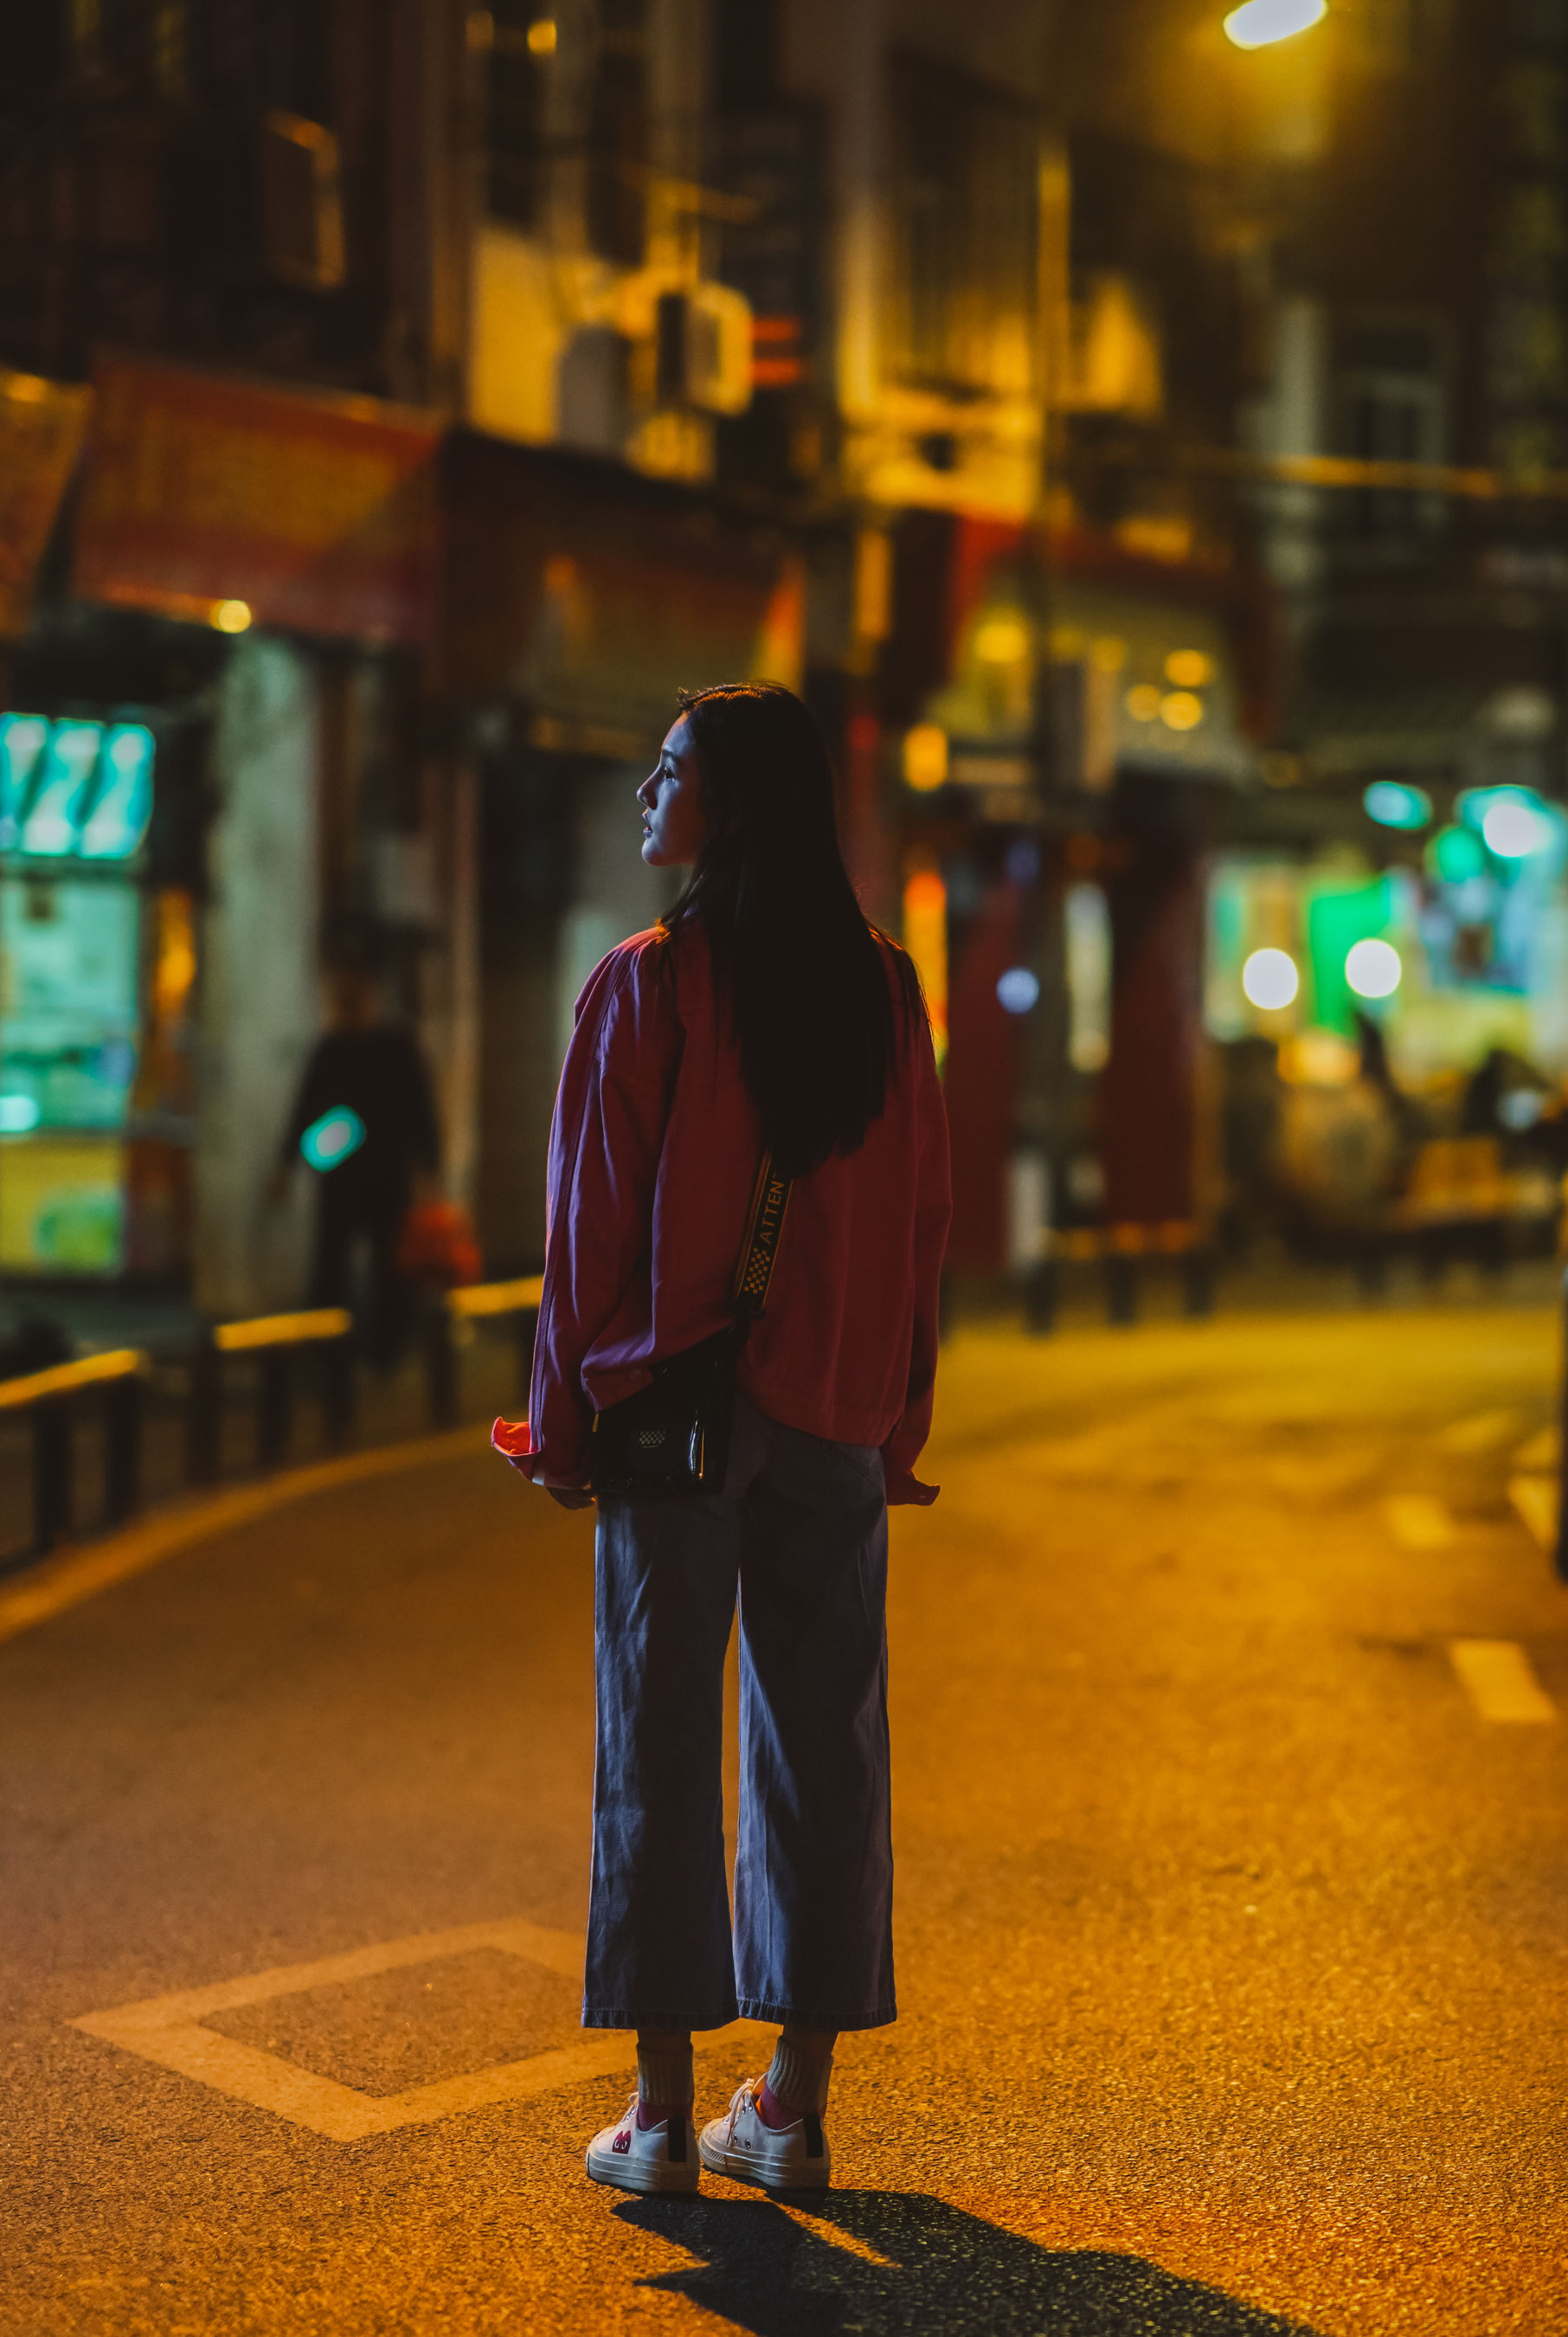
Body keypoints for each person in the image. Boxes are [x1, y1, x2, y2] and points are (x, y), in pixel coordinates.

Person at [501, 681, 950, 2199]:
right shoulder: (885, 991)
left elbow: (590, 1239)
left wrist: (562, 1420)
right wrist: (894, 1417)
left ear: (735, 805)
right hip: (832, 1408)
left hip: (673, 1421)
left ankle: (658, 2112)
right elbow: (917, 1227)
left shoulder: (650, 985)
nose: (646, 793)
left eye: (671, 769)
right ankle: (793, 2106)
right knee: (822, 1750)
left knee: (657, 1745)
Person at [279, 962, 443, 1372]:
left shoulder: (391, 1048)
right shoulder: (333, 1048)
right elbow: (304, 1107)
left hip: (383, 1175)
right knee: (332, 1263)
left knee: (387, 1266)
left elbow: (420, 1109)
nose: (348, 1007)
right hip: (345, 1176)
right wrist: (286, 1163)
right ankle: (329, 1352)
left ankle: (382, 1350)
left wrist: (429, 1166)